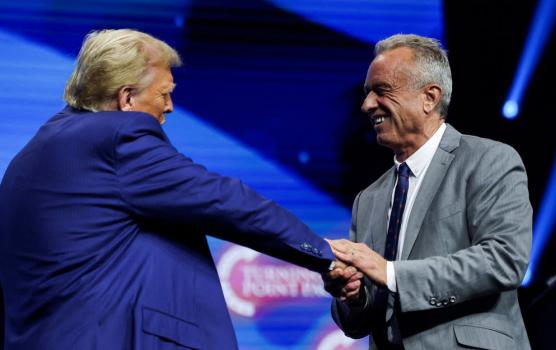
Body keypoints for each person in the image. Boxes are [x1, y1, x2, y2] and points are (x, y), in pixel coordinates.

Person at [0, 29, 343, 349]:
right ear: (127, 99)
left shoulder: (34, 152)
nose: (169, 106)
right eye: (164, 94)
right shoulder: (118, 139)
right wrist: (326, 255)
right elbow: (225, 201)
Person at [324, 34, 532, 349]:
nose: (367, 105)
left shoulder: (489, 161)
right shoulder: (367, 200)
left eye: (382, 91)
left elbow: (504, 259)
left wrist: (391, 273)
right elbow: (358, 324)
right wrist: (353, 295)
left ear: (430, 98)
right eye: (367, 93)